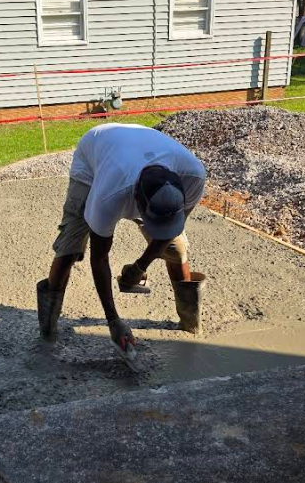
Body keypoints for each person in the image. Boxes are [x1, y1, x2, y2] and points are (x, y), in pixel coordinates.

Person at [37, 123, 207, 356]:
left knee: (176, 250)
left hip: (135, 145)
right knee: (70, 248)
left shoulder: (193, 177)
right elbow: (99, 258)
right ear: (136, 200)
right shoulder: (109, 195)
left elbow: (168, 234)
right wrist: (113, 320)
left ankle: (189, 323)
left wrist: (139, 268)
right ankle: (48, 330)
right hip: (94, 156)